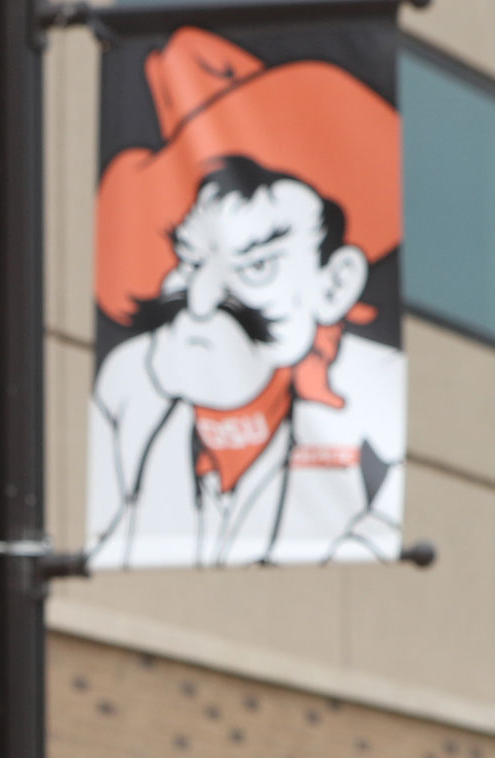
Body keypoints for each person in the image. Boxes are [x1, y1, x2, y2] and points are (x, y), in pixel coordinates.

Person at [86, 26, 406, 568]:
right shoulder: (127, 389)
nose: (202, 300)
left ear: (334, 283)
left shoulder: (372, 397)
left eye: (256, 266)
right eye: (190, 260)